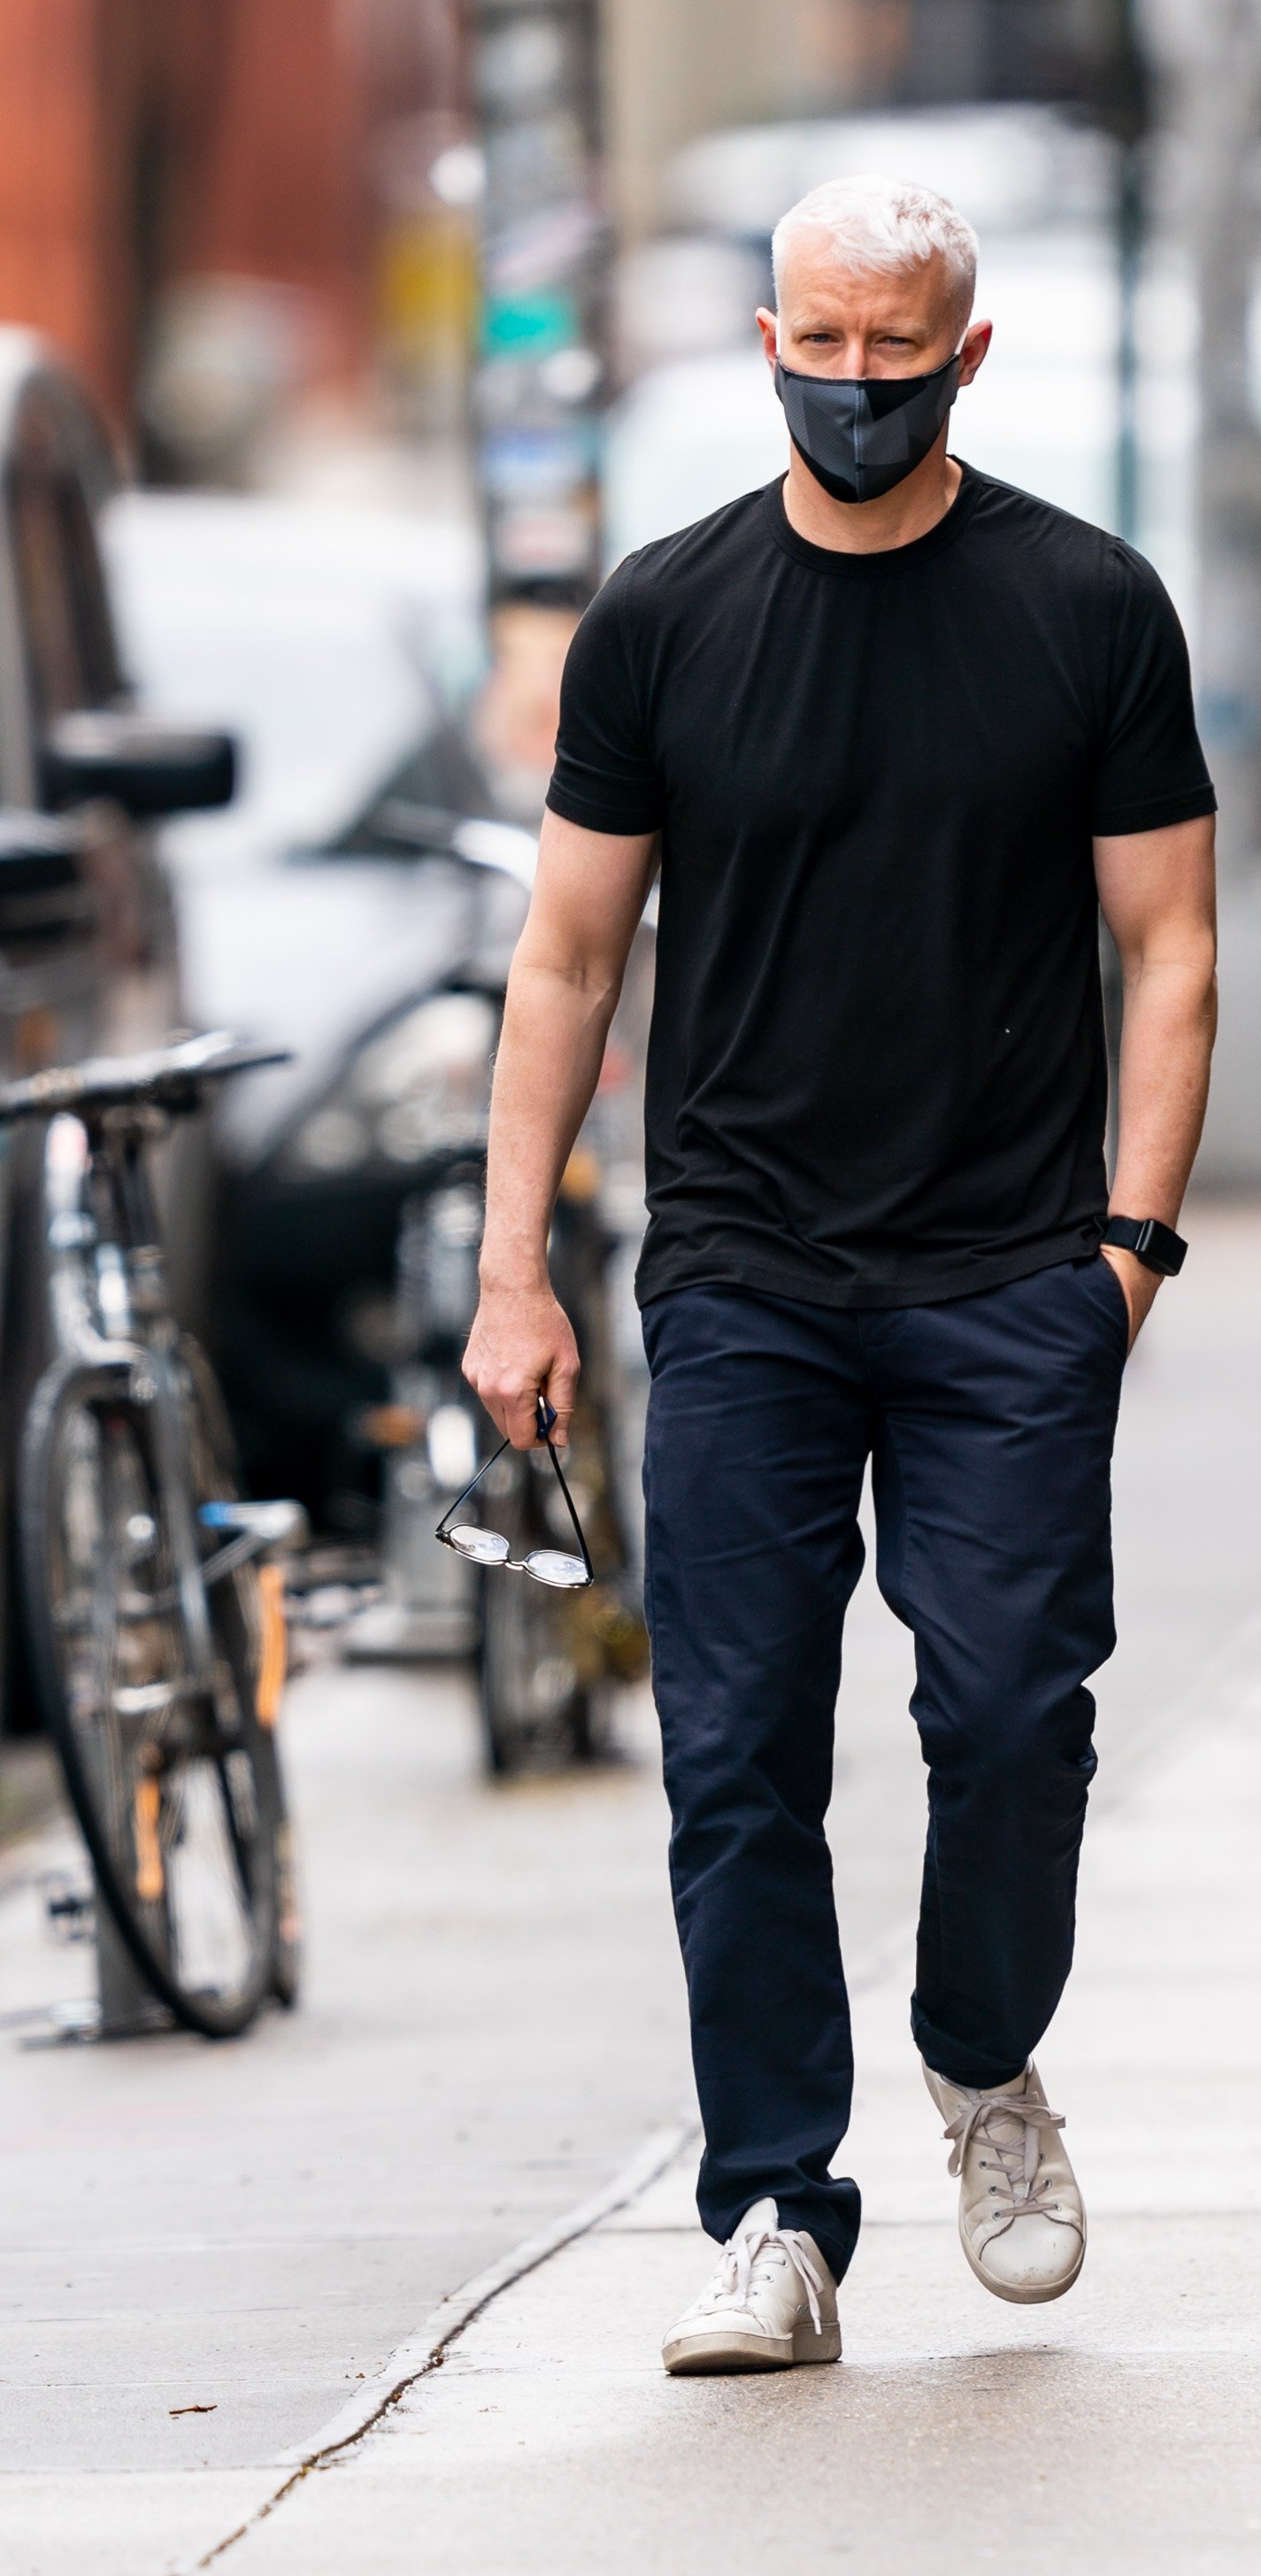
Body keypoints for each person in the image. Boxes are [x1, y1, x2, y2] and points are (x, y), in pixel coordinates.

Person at [464, 173, 1218, 2375]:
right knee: (734, 1752)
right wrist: (518, 1277)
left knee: (1005, 1721)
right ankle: (778, 2208)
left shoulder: (1086, 606)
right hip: (742, 1275)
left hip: (1009, 1271)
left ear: (966, 355)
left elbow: (1168, 949)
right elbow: (567, 961)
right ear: (763, 340)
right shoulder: (665, 619)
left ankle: (983, 2067)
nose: (855, 386)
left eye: (898, 351)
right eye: (821, 344)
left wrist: (1124, 1255)